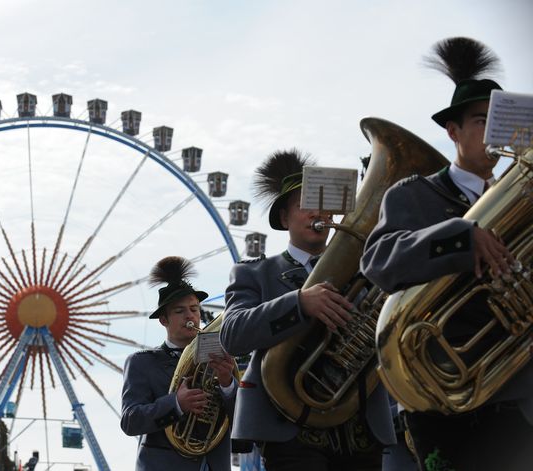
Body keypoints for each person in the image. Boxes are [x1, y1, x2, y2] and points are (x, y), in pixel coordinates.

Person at [361, 37, 533, 471]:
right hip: (446, 390)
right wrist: (460, 237)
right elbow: (379, 262)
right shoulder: (414, 194)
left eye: (501, 123)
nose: (494, 134)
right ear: (453, 131)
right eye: (481, 122)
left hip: (517, 387)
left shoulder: (523, 201)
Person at [220, 150, 395, 471]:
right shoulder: (254, 273)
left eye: (325, 203)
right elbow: (232, 335)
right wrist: (299, 303)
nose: (319, 212)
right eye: (305, 203)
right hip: (290, 431)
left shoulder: (366, 269)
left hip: (360, 428)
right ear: (284, 218)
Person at [121, 256, 238, 471]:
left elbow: (243, 425)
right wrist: (176, 404)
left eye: (194, 309)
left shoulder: (217, 359)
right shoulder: (142, 362)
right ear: (164, 320)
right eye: (179, 311)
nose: (190, 316)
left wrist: (227, 384)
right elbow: (130, 421)